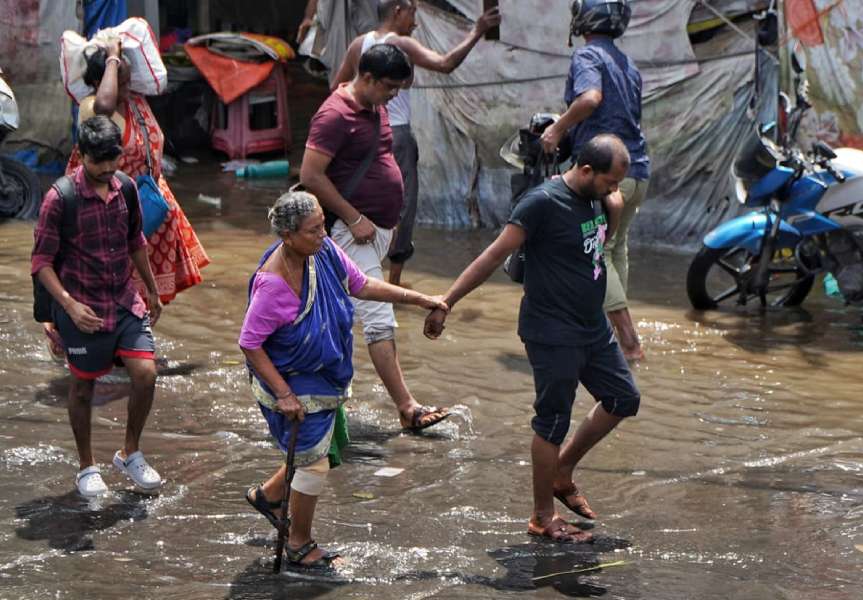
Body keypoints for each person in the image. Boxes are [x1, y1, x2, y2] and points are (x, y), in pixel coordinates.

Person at [424, 134, 641, 543]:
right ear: (586, 170)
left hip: (592, 326)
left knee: (623, 398)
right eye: (611, 183)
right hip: (552, 330)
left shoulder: (597, 198)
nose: (616, 192)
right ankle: (542, 516)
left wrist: (611, 204)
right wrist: (446, 301)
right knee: (551, 423)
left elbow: (599, 238)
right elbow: (492, 255)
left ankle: (563, 470)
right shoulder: (541, 203)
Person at [240, 191, 447, 568]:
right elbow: (250, 343)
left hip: (323, 375)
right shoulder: (273, 285)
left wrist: (418, 299)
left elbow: (361, 285)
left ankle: (269, 496)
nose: (323, 235)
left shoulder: (323, 252)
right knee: (314, 463)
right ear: (287, 236)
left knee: (323, 453)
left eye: (323, 225)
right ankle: (299, 544)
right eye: (313, 230)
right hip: (289, 378)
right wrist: (284, 394)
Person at [300, 43, 450, 432]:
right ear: (366, 77)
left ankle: (318, 396)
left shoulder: (375, 106)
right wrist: (354, 218)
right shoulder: (334, 114)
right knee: (379, 318)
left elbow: (380, 158)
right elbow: (311, 175)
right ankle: (407, 408)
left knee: (335, 316)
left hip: (376, 230)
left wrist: (390, 220)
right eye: (389, 87)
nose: (393, 95)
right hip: (349, 231)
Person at [31, 115, 163, 497]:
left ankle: (130, 451)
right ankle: (87, 466)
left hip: (123, 298)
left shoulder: (125, 188)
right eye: (98, 162)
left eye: (114, 160)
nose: (107, 169)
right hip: (82, 308)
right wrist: (69, 307)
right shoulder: (60, 198)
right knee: (83, 386)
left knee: (145, 374)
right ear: (82, 156)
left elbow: (135, 240)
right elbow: (41, 264)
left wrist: (152, 290)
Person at [330, 0, 501, 286]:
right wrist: (477, 30)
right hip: (395, 136)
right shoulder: (401, 44)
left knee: (359, 199)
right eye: (413, 14)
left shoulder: (359, 44)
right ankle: (393, 282)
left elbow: (336, 86)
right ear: (398, 11)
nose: (416, 22)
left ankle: (351, 274)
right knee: (403, 207)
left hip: (360, 136)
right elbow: (445, 64)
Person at [539, 0, 649, 360]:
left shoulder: (588, 56)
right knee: (617, 249)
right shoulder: (628, 64)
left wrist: (557, 128)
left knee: (598, 251)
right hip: (637, 170)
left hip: (604, 175)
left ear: (584, 19)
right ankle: (615, 336)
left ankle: (629, 342)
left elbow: (591, 98)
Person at [68, 38, 209, 304]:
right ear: (100, 83)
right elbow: (105, 106)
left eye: (128, 82)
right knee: (101, 296)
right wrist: (112, 57)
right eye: (120, 83)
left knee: (141, 300)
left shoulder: (136, 103)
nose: (126, 88)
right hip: (107, 215)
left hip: (147, 210)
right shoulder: (92, 108)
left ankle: (135, 339)